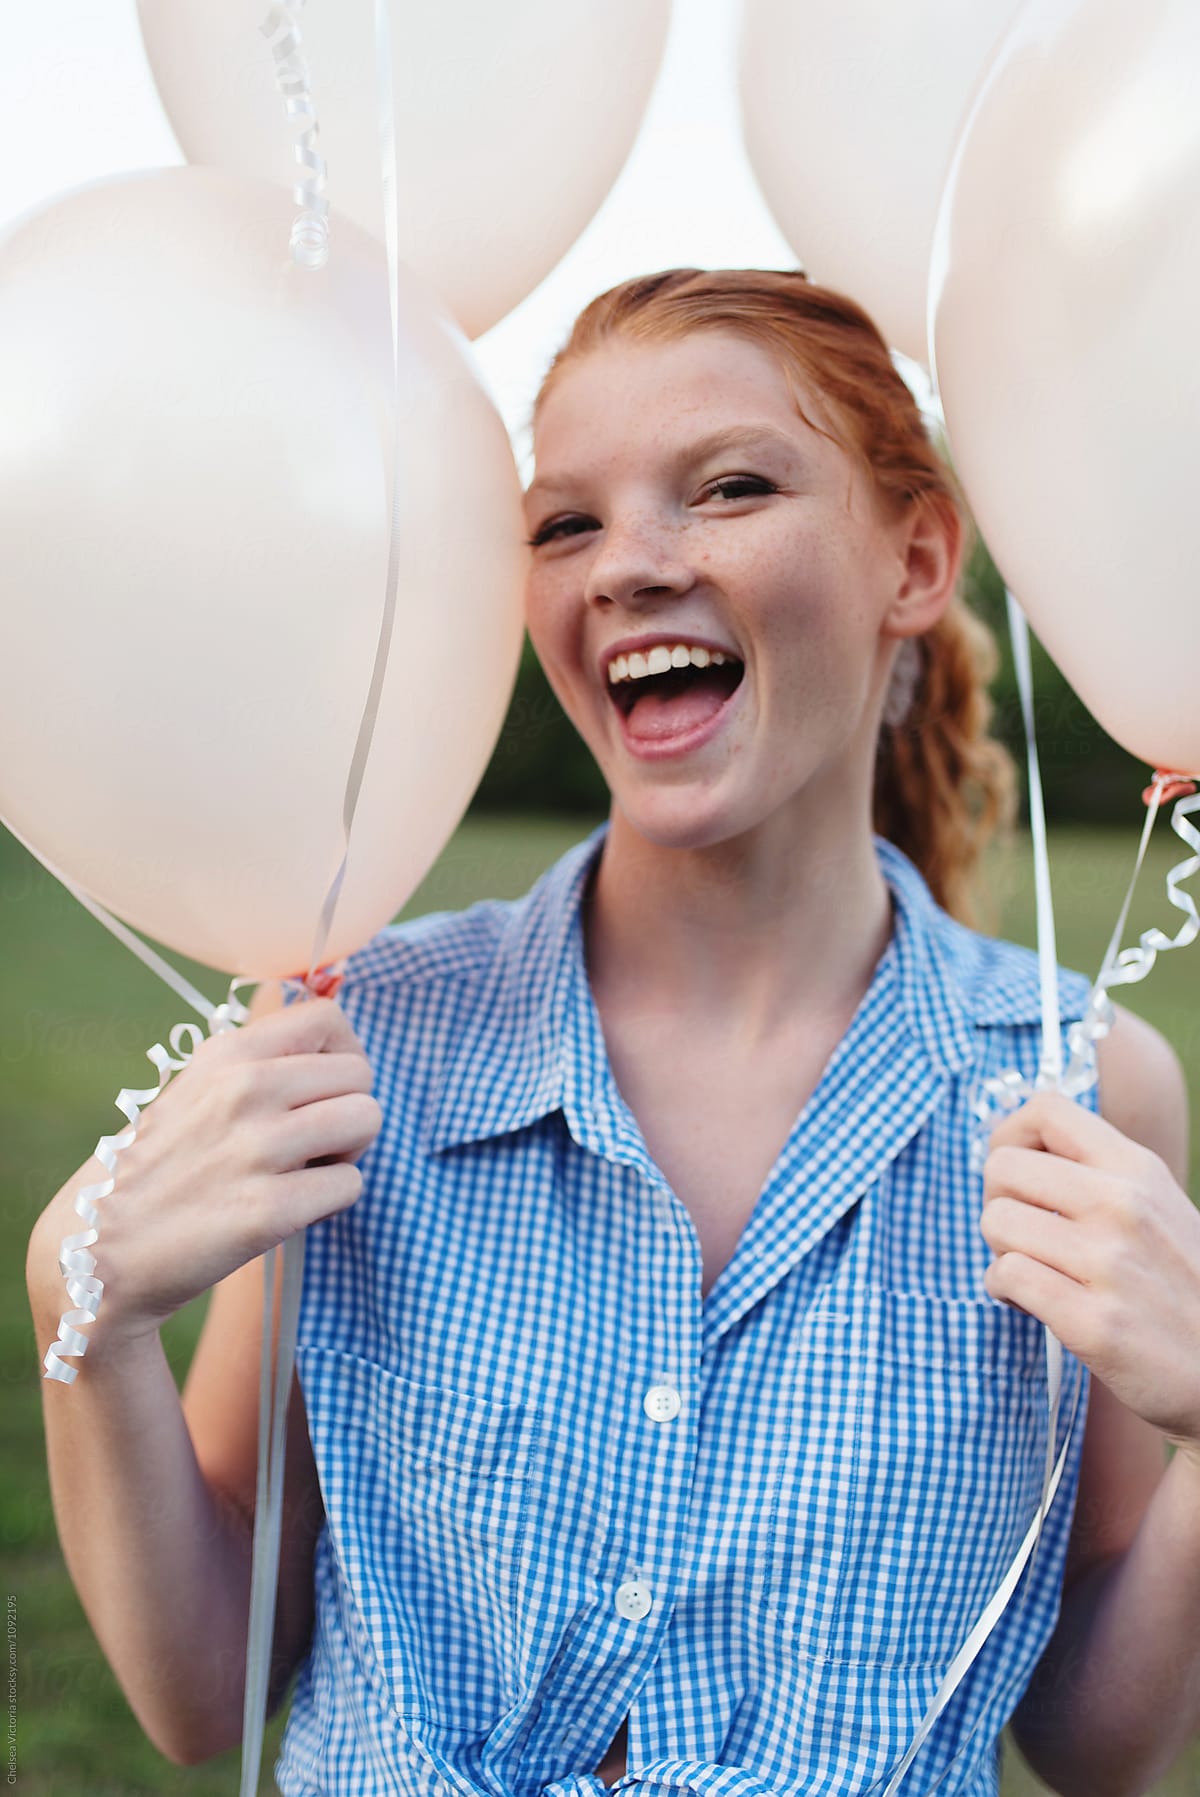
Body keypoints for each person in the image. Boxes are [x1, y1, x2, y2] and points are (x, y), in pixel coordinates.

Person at [26, 268, 1200, 1797]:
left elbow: (1097, 1742)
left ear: (914, 557)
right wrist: (88, 1320)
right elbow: (202, 1691)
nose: (628, 566)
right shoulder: (353, 1036)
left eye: (725, 487)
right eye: (564, 522)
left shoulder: (1084, 1086)